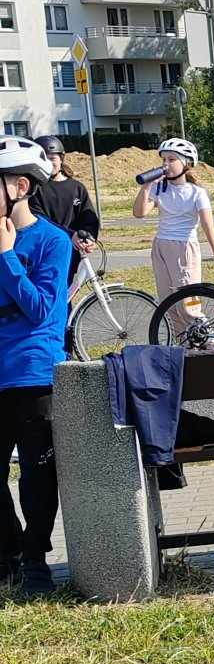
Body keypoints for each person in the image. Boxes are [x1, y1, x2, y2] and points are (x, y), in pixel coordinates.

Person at [0, 138, 72, 595]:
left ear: (20, 187)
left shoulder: (52, 241)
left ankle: (35, 561)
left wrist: (7, 256)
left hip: (32, 373)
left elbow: (42, 309)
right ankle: (7, 553)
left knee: (36, 475)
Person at [132, 137, 214, 332]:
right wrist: (146, 186)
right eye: (163, 160)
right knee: (168, 303)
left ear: (186, 164)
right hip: (161, 246)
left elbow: (208, 225)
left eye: (171, 160)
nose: (166, 164)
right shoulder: (159, 188)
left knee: (188, 303)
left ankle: (210, 342)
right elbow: (139, 213)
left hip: (184, 247)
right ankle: (183, 343)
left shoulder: (197, 193)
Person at [30, 135, 100, 282]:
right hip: (45, 252)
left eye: (52, 158)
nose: (49, 163)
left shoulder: (76, 188)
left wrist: (88, 237)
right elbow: (40, 220)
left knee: (66, 289)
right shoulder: (34, 189)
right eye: (44, 158)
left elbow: (88, 217)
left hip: (71, 252)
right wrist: (70, 235)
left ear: (61, 159)